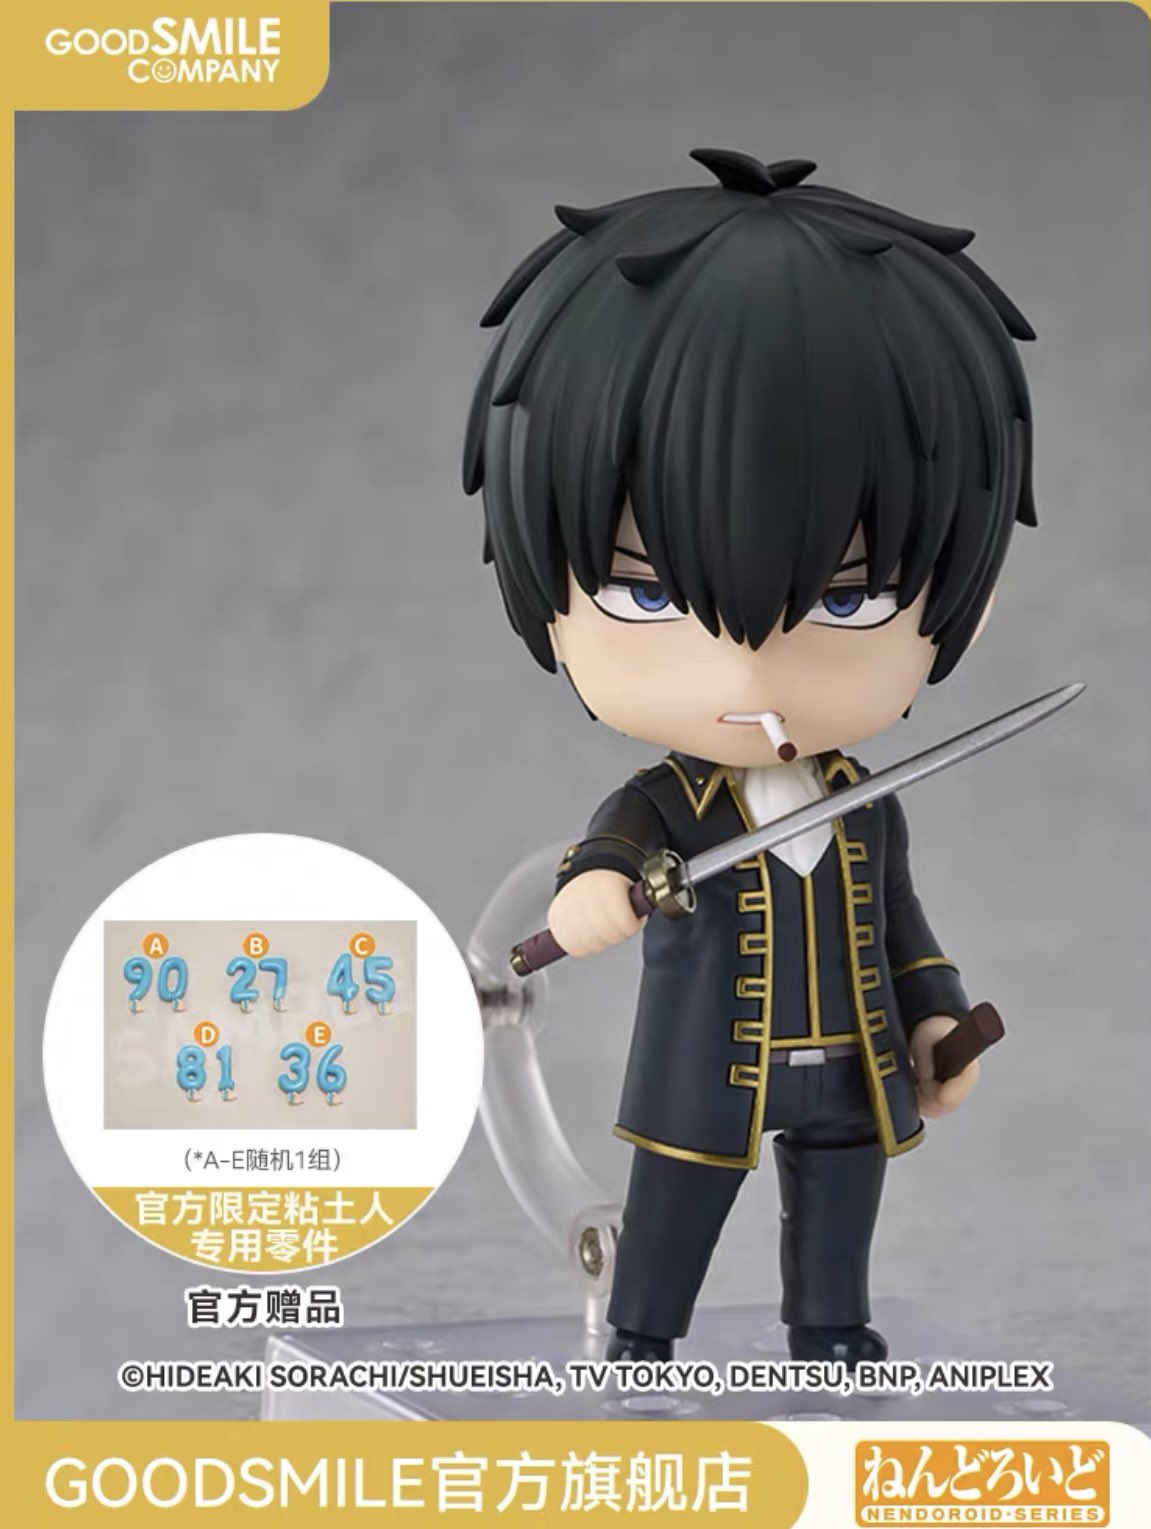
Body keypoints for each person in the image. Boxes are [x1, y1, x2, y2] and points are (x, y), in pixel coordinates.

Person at [463, 149, 1036, 1366]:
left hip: (851, 1063)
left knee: (837, 1213)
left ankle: (828, 1329)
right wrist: (591, 891)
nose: (743, 675)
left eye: (845, 600)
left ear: (964, 597)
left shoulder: (865, 804)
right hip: (705, 1072)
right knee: (674, 1210)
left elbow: (898, 923)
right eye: (646, 592)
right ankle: (639, 1336)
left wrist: (934, 1018)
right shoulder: (664, 800)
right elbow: (604, 853)